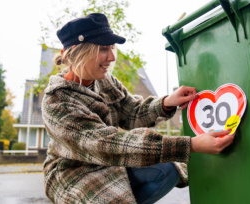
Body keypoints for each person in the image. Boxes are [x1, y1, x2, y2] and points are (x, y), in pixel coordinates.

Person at [42, 13, 236, 204]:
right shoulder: (57, 101)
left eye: (111, 47)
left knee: (169, 169)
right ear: (76, 52)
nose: (111, 57)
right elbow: (108, 144)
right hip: (73, 172)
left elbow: (132, 112)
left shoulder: (104, 80)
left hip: (108, 161)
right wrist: (190, 145)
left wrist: (167, 102)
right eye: (103, 48)